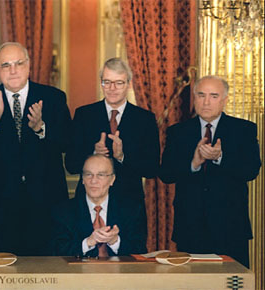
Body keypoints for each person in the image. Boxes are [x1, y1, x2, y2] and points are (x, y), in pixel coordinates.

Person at [0, 42, 72, 255]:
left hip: (46, 205)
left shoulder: (54, 98)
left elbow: (68, 143)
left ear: (28, 65)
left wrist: (41, 128)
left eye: (18, 63)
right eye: (6, 65)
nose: (13, 70)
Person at [160, 75, 261, 268]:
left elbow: (251, 170)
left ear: (224, 100)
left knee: (231, 284)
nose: (206, 102)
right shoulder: (178, 132)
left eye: (214, 96)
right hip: (190, 228)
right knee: (193, 284)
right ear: (194, 98)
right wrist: (194, 163)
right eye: (201, 95)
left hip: (230, 228)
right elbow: (166, 174)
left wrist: (219, 158)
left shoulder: (243, 129)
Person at [65, 57, 159, 225]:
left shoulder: (145, 119)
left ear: (129, 84)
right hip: (87, 205)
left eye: (119, 83)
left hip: (129, 206)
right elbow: (71, 164)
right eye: (107, 82)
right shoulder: (84, 115)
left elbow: (151, 168)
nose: (112, 89)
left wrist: (122, 156)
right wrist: (93, 155)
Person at [52, 154, 147, 257]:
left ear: (112, 179)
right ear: (82, 179)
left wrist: (115, 241)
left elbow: (140, 251)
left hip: (119, 272)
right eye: (88, 174)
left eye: (101, 175)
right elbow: (57, 252)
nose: (93, 181)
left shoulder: (131, 210)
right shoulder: (64, 211)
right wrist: (88, 242)